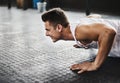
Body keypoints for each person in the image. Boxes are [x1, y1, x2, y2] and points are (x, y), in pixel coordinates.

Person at [41, 8, 120, 74]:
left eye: (48, 30)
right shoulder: (79, 26)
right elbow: (96, 16)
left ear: (59, 27)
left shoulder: (79, 31)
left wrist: (95, 64)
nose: (46, 34)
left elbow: (109, 32)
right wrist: (84, 43)